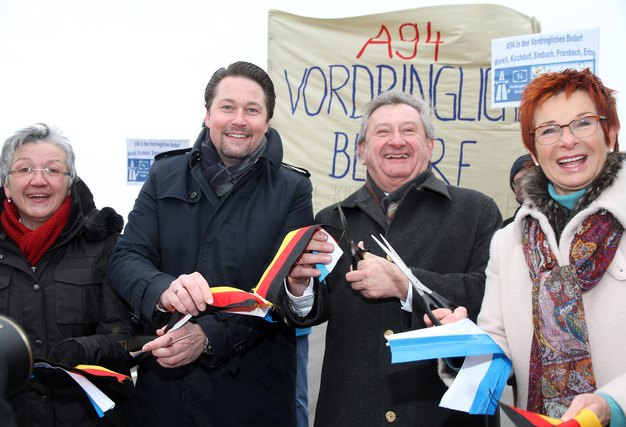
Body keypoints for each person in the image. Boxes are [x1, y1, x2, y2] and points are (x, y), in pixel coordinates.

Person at [429, 69, 626, 426]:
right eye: (549, 130)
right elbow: (500, 343)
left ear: (611, 132)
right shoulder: (509, 243)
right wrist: (462, 348)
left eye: (583, 123)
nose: (567, 141)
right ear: (533, 149)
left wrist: (615, 405)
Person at [107, 61, 314, 426]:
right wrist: (163, 289)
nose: (239, 119)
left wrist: (207, 336)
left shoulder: (292, 190)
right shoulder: (164, 174)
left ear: (267, 122)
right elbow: (126, 257)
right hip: (162, 394)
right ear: (208, 115)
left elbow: (280, 296)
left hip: (250, 396)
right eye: (227, 107)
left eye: (252, 110)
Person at [284, 90, 503, 426]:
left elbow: (490, 298)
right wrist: (298, 287)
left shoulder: (476, 211)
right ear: (361, 150)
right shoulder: (331, 219)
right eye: (382, 132)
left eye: (409, 131)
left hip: (441, 413)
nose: (396, 141)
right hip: (351, 413)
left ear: (429, 146)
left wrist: (406, 285)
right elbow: (311, 313)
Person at [0, 123, 135, 426]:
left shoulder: (104, 245)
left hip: (85, 417)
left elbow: (125, 338)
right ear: (7, 185)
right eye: (24, 169)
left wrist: (83, 350)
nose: (38, 180)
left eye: (52, 170)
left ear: (69, 183)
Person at [503, 153, 533, 226]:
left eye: (531, 179)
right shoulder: (505, 229)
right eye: (519, 182)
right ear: (514, 189)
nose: (525, 186)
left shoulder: (563, 224)